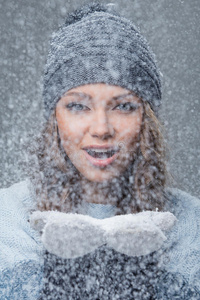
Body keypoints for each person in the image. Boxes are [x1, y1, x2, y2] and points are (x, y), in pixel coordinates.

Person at [0, 3, 200, 299]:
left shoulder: (191, 223)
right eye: (78, 106)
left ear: (147, 119)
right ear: (54, 118)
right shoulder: (8, 217)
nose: (102, 128)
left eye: (123, 106)